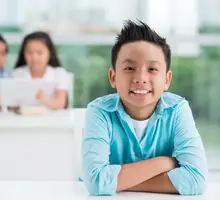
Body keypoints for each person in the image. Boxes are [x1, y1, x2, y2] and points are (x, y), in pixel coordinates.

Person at [82, 20, 207, 196]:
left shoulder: (178, 109)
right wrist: (163, 163)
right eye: (130, 68)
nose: (140, 78)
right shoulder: (99, 111)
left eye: (152, 69)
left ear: (167, 80)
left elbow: (196, 180)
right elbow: (96, 182)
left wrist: (116, 182)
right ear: (113, 77)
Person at [13, 31, 70, 109]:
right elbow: (12, 107)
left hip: (53, 119)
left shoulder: (59, 73)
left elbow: (60, 103)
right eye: (29, 52)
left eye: (39, 53)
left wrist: (46, 99)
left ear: (49, 53)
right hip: (25, 119)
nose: (34, 58)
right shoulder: (18, 73)